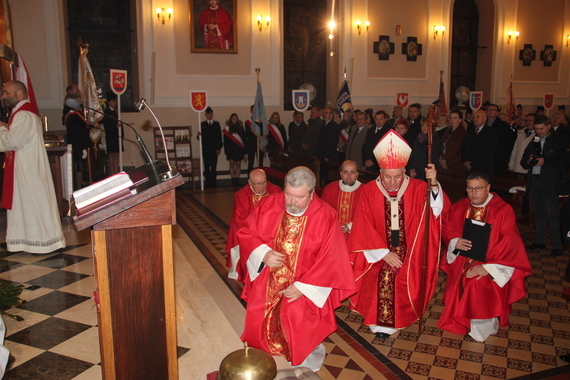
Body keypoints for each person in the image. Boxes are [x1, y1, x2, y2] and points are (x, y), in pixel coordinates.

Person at [238, 166, 355, 371]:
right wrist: (263, 253)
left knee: (295, 316)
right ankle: (263, 357)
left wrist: (303, 287)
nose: (291, 202)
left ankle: (300, 356)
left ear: (312, 194)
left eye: (299, 197)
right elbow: (247, 232)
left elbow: (332, 259)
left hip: (307, 282)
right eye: (288, 195)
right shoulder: (268, 204)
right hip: (268, 278)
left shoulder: (326, 216)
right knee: (258, 312)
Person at [348, 130, 449, 339]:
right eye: (387, 177)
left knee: (399, 275)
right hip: (377, 251)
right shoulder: (369, 191)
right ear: (380, 172)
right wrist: (383, 253)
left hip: (411, 249)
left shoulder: (419, 187)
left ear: (405, 170)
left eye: (397, 176)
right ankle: (381, 323)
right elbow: (363, 226)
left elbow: (436, 210)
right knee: (383, 274)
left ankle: (397, 319)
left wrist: (434, 184)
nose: (392, 182)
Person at [438, 172, 531, 341]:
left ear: (488, 188)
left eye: (478, 188)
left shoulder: (502, 211)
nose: (473, 193)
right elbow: (447, 228)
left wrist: (488, 268)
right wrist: (454, 241)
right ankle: (461, 321)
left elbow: (510, 244)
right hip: (463, 259)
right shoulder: (460, 207)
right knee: (462, 277)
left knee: (475, 282)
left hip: (493, 262)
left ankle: (482, 329)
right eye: (470, 188)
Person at [0, 80, 66, 254]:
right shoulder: (21, 114)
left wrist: (1, 130)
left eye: (7, 93)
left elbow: (12, 142)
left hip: (27, 170)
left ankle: (44, 242)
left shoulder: (24, 115)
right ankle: (28, 241)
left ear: (19, 94)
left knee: (34, 205)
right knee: (26, 206)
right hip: (23, 168)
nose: (3, 96)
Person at [521, 115, 568, 256]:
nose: (539, 131)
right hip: (534, 180)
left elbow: (565, 160)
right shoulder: (533, 140)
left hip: (550, 181)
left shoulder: (558, 139)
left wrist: (545, 161)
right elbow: (524, 162)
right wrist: (529, 161)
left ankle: (558, 245)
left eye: (541, 129)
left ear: (548, 127)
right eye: (536, 129)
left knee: (553, 214)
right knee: (538, 212)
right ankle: (540, 241)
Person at [225, 168, 281, 281]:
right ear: (250, 182)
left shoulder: (276, 191)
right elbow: (240, 221)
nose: (262, 187)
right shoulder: (241, 196)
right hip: (250, 233)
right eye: (258, 184)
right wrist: (257, 233)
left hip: (273, 232)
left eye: (264, 182)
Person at [321, 160, 363, 239]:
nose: (349, 176)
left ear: (357, 174)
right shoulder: (330, 188)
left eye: (352, 172)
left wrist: (350, 226)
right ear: (341, 174)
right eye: (345, 172)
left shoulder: (364, 191)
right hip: (332, 233)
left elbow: (367, 216)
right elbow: (323, 212)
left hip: (355, 234)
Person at [64, 90, 92, 190]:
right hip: (77, 145)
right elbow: (78, 133)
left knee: (79, 167)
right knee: (78, 167)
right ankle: (78, 187)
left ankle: (79, 184)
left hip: (78, 144)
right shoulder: (73, 116)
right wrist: (83, 147)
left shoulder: (76, 114)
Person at [462, 109, 498, 175]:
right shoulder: (471, 131)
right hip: (468, 167)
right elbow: (464, 147)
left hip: (482, 168)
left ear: (484, 118)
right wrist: (465, 161)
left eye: (478, 117)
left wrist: (473, 164)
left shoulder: (491, 132)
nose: (475, 119)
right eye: (474, 117)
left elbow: (487, 151)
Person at [409, 117, 441, 181]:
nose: (424, 127)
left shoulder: (434, 139)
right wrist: (411, 168)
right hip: (415, 171)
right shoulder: (419, 137)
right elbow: (413, 154)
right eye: (423, 125)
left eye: (427, 125)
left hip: (426, 172)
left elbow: (434, 158)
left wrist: (423, 171)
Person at [438, 108, 467, 178]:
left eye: (455, 118)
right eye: (451, 118)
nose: (452, 120)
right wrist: (440, 158)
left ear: (460, 120)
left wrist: (446, 161)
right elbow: (442, 145)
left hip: (454, 164)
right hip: (443, 161)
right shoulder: (447, 131)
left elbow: (458, 150)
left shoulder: (462, 133)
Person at [198, 106, 223, 187]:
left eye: (211, 114)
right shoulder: (203, 124)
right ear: (205, 115)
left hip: (214, 149)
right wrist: (199, 135)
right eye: (208, 114)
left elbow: (219, 137)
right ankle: (208, 181)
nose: (210, 115)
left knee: (214, 165)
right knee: (206, 165)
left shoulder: (216, 124)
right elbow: (199, 138)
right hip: (206, 149)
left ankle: (213, 181)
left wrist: (219, 148)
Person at [101, 91, 123, 175]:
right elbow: (106, 124)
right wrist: (115, 126)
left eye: (115, 101)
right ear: (108, 102)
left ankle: (116, 171)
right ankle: (112, 172)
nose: (115, 103)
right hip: (111, 135)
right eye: (113, 101)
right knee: (111, 154)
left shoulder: (116, 111)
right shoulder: (106, 112)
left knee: (117, 153)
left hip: (117, 135)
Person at [223, 113, 245, 185]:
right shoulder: (227, 128)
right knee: (231, 164)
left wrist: (244, 150)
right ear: (230, 119)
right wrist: (226, 151)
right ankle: (233, 179)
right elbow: (225, 140)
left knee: (238, 164)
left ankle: (237, 178)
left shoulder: (241, 127)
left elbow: (244, 139)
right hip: (230, 149)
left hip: (239, 149)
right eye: (233, 118)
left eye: (236, 118)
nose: (235, 120)